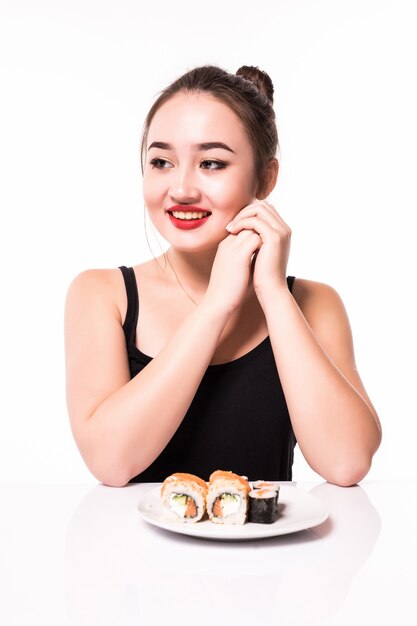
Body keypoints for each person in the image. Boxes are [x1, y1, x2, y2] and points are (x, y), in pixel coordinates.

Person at [64, 65, 382, 488]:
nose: (181, 189)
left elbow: (347, 463)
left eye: (211, 163)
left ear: (266, 178)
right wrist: (217, 305)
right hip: (135, 555)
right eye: (161, 161)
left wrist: (272, 291)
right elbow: (110, 462)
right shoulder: (102, 294)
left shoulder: (313, 303)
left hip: (276, 554)